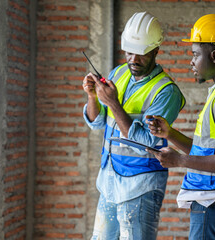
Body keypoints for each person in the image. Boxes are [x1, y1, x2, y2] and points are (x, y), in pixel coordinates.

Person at [146, 14, 215, 240]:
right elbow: (209, 152)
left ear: (214, 55)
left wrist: (179, 160)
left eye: (195, 54)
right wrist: (170, 134)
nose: (192, 62)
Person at [82, 12, 185, 240]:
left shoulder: (166, 92)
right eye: (129, 52)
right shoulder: (118, 73)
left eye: (141, 54)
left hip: (141, 187)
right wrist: (92, 97)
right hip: (109, 181)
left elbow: (145, 144)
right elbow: (98, 122)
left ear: (156, 51)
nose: (133, 60)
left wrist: (113, 102)